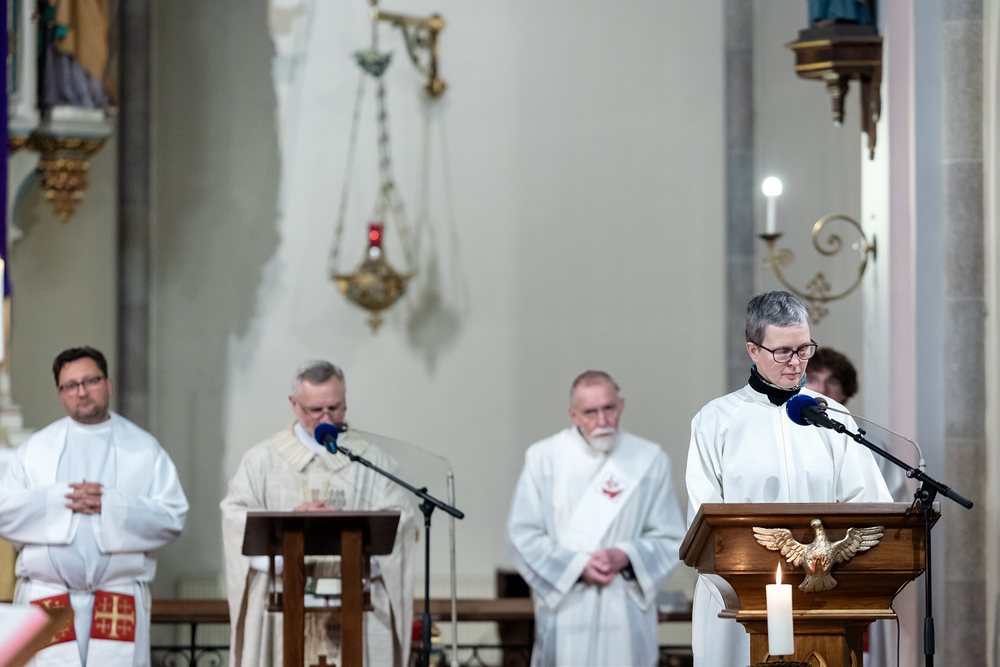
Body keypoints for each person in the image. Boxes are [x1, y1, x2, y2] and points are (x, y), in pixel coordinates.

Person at [686, 291, 892, 666]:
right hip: (739, 604)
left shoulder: (834, 419)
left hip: (822, 599)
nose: (796, 363)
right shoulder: (715, 421)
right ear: (753, 350)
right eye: (783, 351)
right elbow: (703, 529)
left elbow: (871, 509)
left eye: (804, 349)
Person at [0, 346, 189, 667]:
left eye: (91, 381)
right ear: (61, 395)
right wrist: (58, 501)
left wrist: (111, 505)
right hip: (47, 597)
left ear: (108, 385)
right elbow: (4, 512)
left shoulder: (144, 449)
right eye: (70, 385)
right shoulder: (36, 450)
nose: (82, 391)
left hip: (117, 597)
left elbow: (172, 517)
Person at [221, 361, 415, 667]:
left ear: (345, 400)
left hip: (355, 604)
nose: (326, 418)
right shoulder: (261, 461)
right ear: (294, 405)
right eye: (315, 410)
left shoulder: (372, 461)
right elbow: (234, 518)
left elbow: (400, 521)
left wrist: (356, 541)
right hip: (283, 602)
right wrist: (288, 521)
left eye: (334, 408)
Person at [505, 371, 686, 667]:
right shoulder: (543, 458)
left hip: (625, 601)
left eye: (609, 408)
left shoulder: (650, 459)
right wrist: (578, 566)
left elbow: (669, 538)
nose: (602, 420)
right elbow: (522, 535)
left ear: (621, 405)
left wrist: (625, 555)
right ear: (573, 415)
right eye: (590, 412)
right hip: (568, 603)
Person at [805, 346, 908, 667]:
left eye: (832, 381)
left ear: (846, 393)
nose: (822, 389)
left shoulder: (871, 448)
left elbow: (894, 513)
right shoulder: (785, 443)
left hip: (856, 570)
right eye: (813, 378)